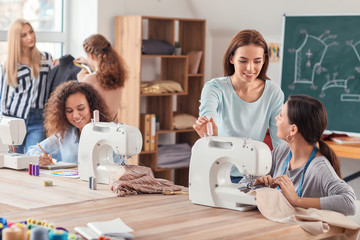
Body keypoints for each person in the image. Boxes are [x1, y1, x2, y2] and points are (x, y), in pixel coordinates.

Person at [193, 29, 284, 182]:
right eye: (243, 61)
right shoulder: (215, 88)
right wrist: (209, 133)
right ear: (231, 58)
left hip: (253, 175)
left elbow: (280, 142)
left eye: (257, 61)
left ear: (264, 60)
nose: (250, 68)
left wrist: (281, 178)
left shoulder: (273, 92)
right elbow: (209, 114)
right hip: (216, 172)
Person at [251, 95, 356, 216]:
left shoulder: (319, 167)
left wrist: (296, 200)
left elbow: (350, 203)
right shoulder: (282, 151)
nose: (276, 118)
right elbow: (246, 181)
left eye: (281, 115)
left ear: (293, 130)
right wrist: (258, 184)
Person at [0, 18, 56, 153]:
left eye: (31, 32)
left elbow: (55, 82)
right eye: (24, 35)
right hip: (14, 118)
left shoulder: (46, 59)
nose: (30, 37)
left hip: (38, 118)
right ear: (16, 39)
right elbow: (3, 97)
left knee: (33, 158)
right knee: (14, 161)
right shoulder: (9, 65)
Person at [27, 81, 111, 165]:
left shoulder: (107, 135)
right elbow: (32, 151)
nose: (75, 115)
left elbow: (116, 166)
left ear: (92, 107)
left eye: (81, 108)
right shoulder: (65, 135)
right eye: (69, 111)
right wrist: (40, 157)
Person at [74, 34, 127, 121]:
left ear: (91, 56)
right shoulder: (117, 78)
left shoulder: (89, 80)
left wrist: (81, 81)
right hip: (114, 129)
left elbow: (83, 109)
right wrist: (87, 62)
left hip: (97, 131)